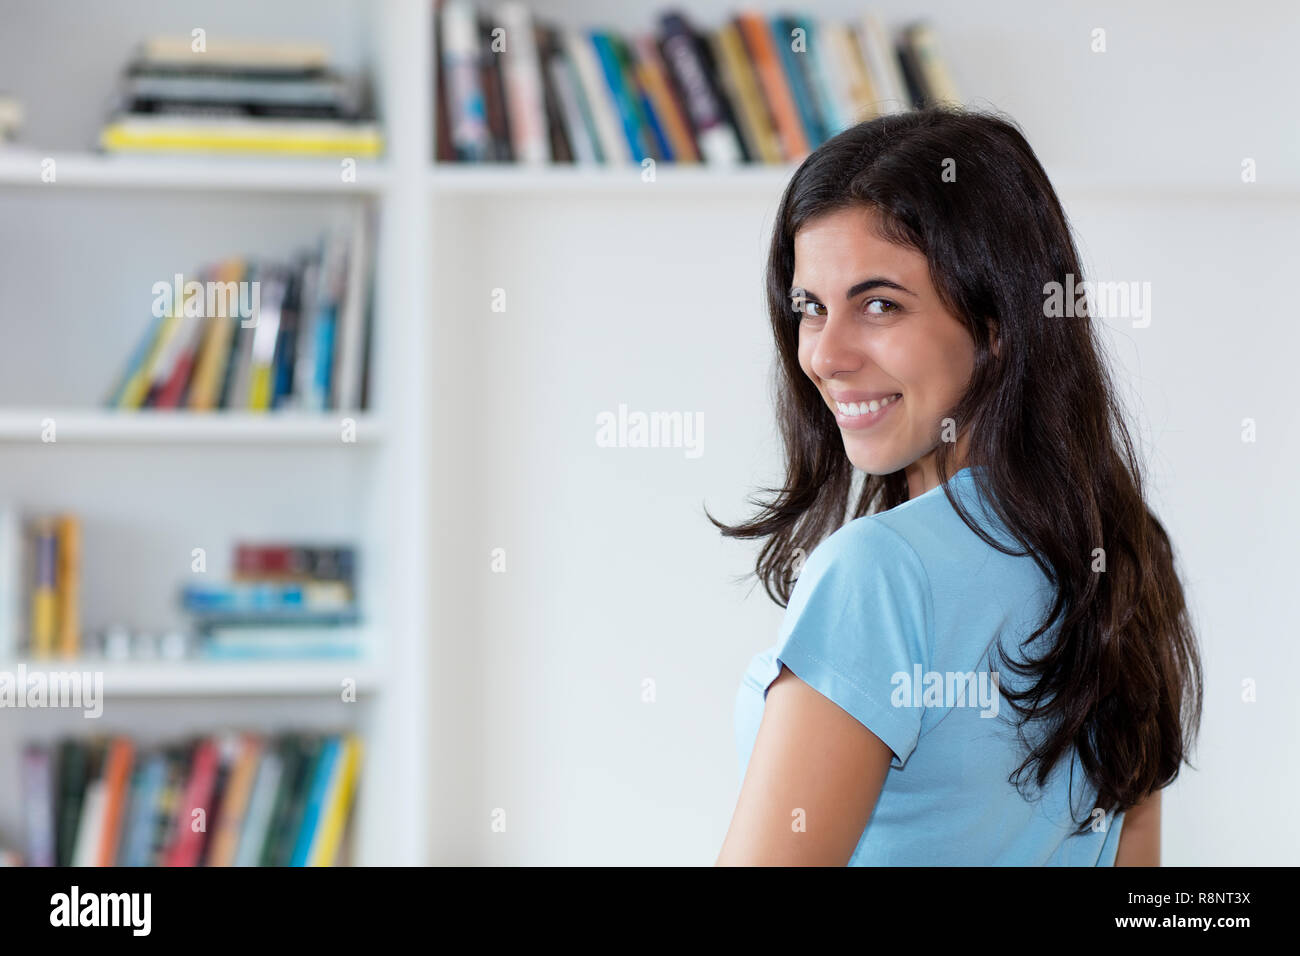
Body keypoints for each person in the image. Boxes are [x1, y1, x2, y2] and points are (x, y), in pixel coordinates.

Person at [711, 107, 1201, 866]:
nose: (826, 356)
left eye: (879, 305)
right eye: (811, 308)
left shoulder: (878, 576)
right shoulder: (1122, 549)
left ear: (998, 324)